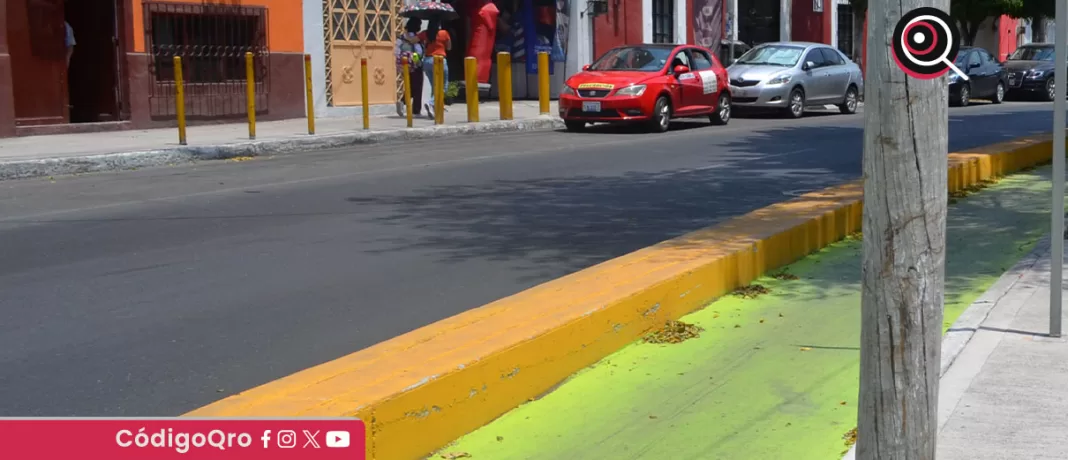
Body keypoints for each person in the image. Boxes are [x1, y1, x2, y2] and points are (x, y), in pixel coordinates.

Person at [418, 19, 451, 118]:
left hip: (427, 61)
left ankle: (434, 108)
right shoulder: (444, 33)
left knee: (434, 85)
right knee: (443, 85)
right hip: (440, 60)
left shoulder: (425, 33)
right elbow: (449, 47)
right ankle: (431, 103)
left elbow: (413, 40)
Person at [395, 18, 425, 117]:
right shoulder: (416, 38)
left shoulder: (401, 37)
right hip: (415, 66)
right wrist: (417, 62)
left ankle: (403, 102)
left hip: (404, 65)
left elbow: (396, 51)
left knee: (409, 86)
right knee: (418, 88)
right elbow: (418, 52)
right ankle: (416, 111)